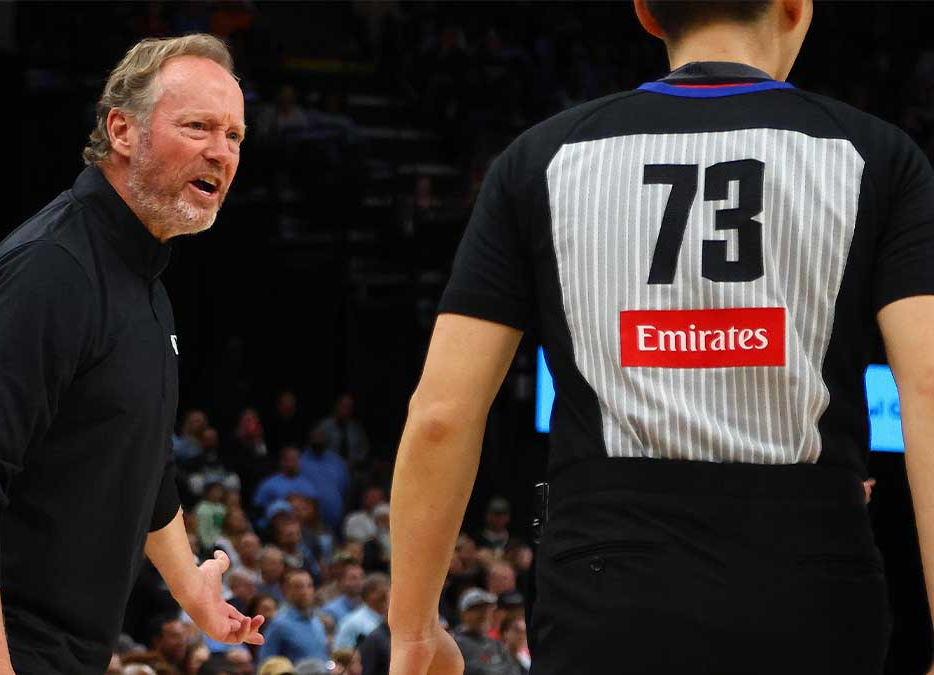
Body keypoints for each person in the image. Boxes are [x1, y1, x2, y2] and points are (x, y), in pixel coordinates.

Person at [387, 2, 934, 675]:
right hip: (811, 593)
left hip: (600, 595)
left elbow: (442, 416)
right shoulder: (878, 156)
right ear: (796, 7)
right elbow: (929, 388)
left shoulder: (539, 159)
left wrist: (413, 627)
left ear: (646, 13)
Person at [0, 34, 261, 675]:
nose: (221, 153)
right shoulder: (52, 268)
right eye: (198, 127)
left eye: (234, 136)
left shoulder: (145, 285)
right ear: (122, 130)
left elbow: (145, 465)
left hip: (54, 648)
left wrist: (191, 589)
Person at [259, 570, 327, 663]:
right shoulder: (278, 624)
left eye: (309, 586)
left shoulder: (316, 621)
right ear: (286, 590)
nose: (305, 591)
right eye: (298, 587)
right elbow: (266, 663)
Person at [449, 590, 520, 675]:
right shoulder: (455, 645)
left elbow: (512, 670)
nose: (484, 615)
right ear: (464, 614)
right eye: (478, 610)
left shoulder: (496, 644)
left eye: (487, 610)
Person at [331, 573, 388, 651]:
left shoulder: (386, 619)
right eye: (382, 592)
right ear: (369, 595)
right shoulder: (355, 621)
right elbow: (339, 652)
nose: (386, 596)